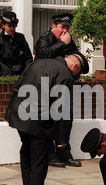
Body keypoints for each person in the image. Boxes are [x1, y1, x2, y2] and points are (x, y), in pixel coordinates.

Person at [5, 52, 89, 185]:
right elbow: (63, 112)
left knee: (26, 152)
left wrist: (9, 113)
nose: (75, 77)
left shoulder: (37, 63)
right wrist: (62, 143)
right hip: (39, 123)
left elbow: (17, 86)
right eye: (77, 74)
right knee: (39, 164)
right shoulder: (65, 75)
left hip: (20, 116)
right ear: (75, 67)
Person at [34, 13, 82, 168]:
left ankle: (64, 154)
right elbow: (44, 55)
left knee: (64, 121)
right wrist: (62, 45)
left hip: (63, 86)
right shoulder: (45, 39)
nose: (65, 31)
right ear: (54, 26)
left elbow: (77, 57)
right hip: (45, 86)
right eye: (62, 27)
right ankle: (50, 155)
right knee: (48, 121)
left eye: (67, 28)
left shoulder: (68, 40)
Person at [0, 11, 33, 76]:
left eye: (14, 26)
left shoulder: (20, 38)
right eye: (9, 26)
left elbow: (28, 58)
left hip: (20, 75)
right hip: (3, 76)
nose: (12, 29)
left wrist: (26, 72)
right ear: (3, 25)